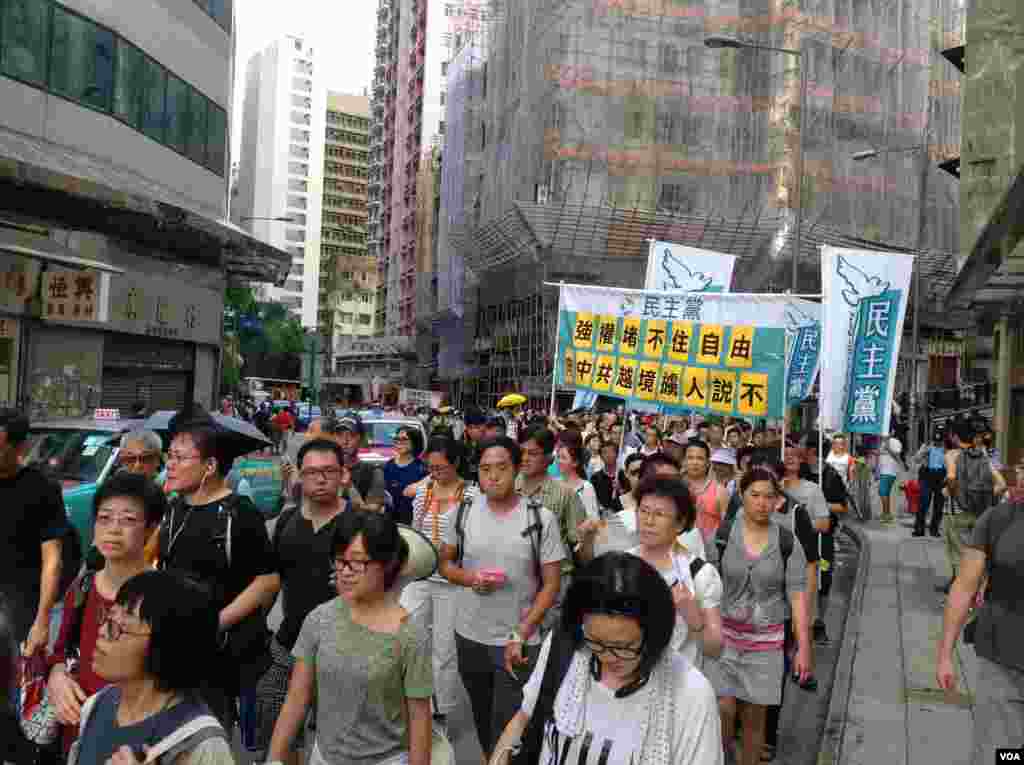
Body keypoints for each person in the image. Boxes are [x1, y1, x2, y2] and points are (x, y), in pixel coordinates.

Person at [489, 553, 723, 765]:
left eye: (624, 646)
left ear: (655, 634)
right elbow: (526, 716)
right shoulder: (567, 646)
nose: (608, 657)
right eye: (597, 642)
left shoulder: (691, 694)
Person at [267, 512, 436, 765]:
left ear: (387, 564)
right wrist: (274, 759)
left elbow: (419, 720)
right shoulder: (320, 619)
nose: (344, 572)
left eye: (357, 562)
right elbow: (297, 697)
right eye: (339, 560)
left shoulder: (410, 636)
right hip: (323, 757)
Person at [437, 437, 565, 760]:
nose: (493, 476)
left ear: (517, 468)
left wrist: (522, 631)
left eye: (502, 468)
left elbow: (552, 585)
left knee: (510, 723)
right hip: (470, 635)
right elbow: (445, 564)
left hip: (517, 641)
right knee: (480, 714)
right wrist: (470, 579)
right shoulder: (461, 513)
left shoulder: (540, 518)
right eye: (485, 469)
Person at [157, 418, 280, 728]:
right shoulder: (173, 509)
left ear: (210, 466)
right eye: (169, 456)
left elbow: (267, 581)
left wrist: (217, 622)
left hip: (219, 660)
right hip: (174, 650)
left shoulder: (239, 513)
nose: (170, 464)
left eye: (180, 458)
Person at [47, 473, 167, 752]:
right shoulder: (85, 584)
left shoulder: (163, 598)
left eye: (128, 520)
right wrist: (56, 675)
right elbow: (61, 650)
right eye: (104, 518)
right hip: (78, 726)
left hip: (132, 741)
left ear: (150, 529)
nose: (113, 529)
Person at [69, 571, 232, 765]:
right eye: (108, 617)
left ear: (165, 647)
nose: (102, 631)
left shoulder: (201, 743)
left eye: (117, 627)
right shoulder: (96, 705)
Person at [705, 469, 811, 765]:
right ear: (742, 495)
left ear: (777, 501)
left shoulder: (788, 542)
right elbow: (707, 585)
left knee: (755, 722)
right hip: (724, 640)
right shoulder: (723, 535)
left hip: (766, 645)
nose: (762, 502)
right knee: (722, 712)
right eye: (755, 495)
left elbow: (798, 595)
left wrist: (804, 647)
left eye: (769, 496)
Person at [254, 439, 351, 761]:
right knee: (276, 738)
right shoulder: (286, 522)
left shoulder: (360, 525)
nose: (320, 479)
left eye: (328, 471)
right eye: (311, 472)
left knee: (338, 747)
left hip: (344, 655)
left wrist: (358, 586)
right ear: (299, 476)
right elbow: (270, 583)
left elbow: (392, 588)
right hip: (288, 649)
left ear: (343, 475)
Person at [401, 437, 479, 734]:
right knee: (407, 638)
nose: (435, 472)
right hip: (418, 578)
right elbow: (416, 530)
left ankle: (439, 713)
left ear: (455, 463)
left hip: (452, 583)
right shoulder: (424, 490)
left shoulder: (471, 494)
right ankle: (408, 703)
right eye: (430, 467)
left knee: (445, 652)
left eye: (441, 467)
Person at [936, 498, 1024, 764]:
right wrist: (945, 655)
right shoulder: (999, 519)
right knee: (1003, 756)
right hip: (1003, 663)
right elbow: (964, 587)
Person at [630, 477, 723, 668]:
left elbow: (715, 649)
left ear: (680, 524)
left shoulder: (700, 574)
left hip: (678, 686)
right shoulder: (623, 563)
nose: (648, 521)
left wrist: (693, 617)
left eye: (659, 514)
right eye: (643, 511)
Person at [0, 408, 65, 657]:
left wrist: (42, 620)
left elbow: (52, 558)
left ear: (21, 448)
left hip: (18, 606)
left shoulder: (41, 488)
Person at [516, 425, 590, 582]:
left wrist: (587, 537)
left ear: (549, 458)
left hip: (555, 581)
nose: (524, 458)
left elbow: (579, 544)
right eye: (521, 451)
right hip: (517, 580)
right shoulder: (509, 487)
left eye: (533, 453)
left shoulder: (565, 494)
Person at [944, 422, 1006, 587]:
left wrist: (959, 496)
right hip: (982, 513)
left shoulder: (953, 455)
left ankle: (959, 591)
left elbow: (951, 479)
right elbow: (1001, 485)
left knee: (958, 553)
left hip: (958, 512)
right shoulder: (987, 457)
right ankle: (977, 591)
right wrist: (985, 498)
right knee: (978, 554)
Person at [683, 439, 729, 543]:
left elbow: (727, 528)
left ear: (708, 462)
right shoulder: (674, 487)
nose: (695, 462)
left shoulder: (720, 491)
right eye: (690, 458)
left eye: (700, 458)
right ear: (684, 461)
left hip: (709, 553)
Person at [383, 426, 428, 525]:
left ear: (415, 442)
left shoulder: (422, 469)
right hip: (389, 522)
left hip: (412, 524)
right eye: (397, 439)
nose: (399, 443)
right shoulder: (388, 466)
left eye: (404, 440)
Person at [556, 430, 600, 521]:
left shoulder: (586, 488)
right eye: (558, 457)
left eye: (564, 458)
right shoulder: (554, 483)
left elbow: (593, 520)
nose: (559, 461)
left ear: (575, 462)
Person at [912, 428, 948, 538]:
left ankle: (934, 529)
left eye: (939, 441)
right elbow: (916, 459)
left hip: (941, 477)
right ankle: (919, 529)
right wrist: (924, 451)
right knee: (923, 502)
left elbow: (950, 464)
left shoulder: (946, 449)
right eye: (935, 440)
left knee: (938, 505)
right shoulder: (926, 446)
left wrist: (947, 478)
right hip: (927, 476)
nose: (937, 443)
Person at [590, 439, 622, 515]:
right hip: (603, 516)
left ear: (617, 454)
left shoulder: (624, 475)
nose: (608, 455)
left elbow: (629, 499)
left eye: (611, 452)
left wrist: (620, 489)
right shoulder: (595, 477)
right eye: (605, 452)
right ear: (601, 456)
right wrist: (602, 509)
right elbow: (593, 499)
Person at [877, 435, 903, 524]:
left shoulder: (895, 442)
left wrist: (888, 448)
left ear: (892, 432)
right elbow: (880, 455)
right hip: (883, 471)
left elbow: (897, 456)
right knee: (886, 493)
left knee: (881, 491)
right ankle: (887, 514)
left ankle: (886, 514)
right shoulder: (881, 441)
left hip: (890, 471)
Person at [461, 407, 487, 484]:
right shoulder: (463, 439)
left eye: (477, 427)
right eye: (470, 427)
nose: (473, 431)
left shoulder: (488, 442)